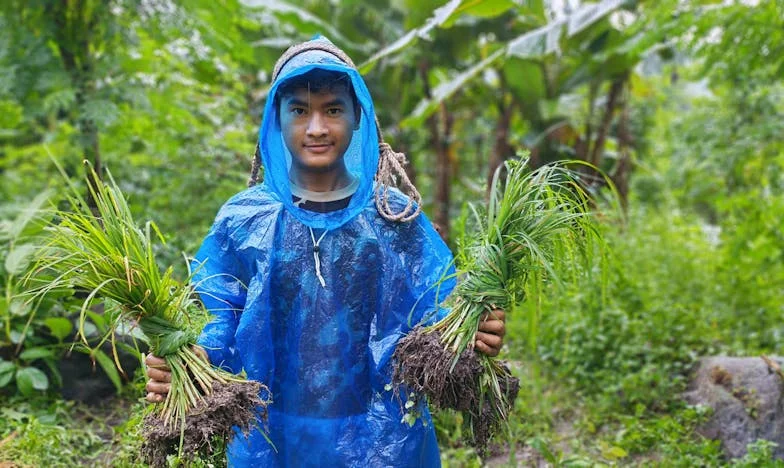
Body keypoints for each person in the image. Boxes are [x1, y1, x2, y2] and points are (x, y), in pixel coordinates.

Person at [144, 36, 506, 467]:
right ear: (276, 119)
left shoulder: (394, 218)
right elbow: (221, 316)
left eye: (333, 109)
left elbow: (435, 309)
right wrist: (192, 360)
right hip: (272, 440)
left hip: (384, 440)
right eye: (299, 110)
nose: (316, 128)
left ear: (357, 116)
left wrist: (473, 332)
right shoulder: (246, 220)